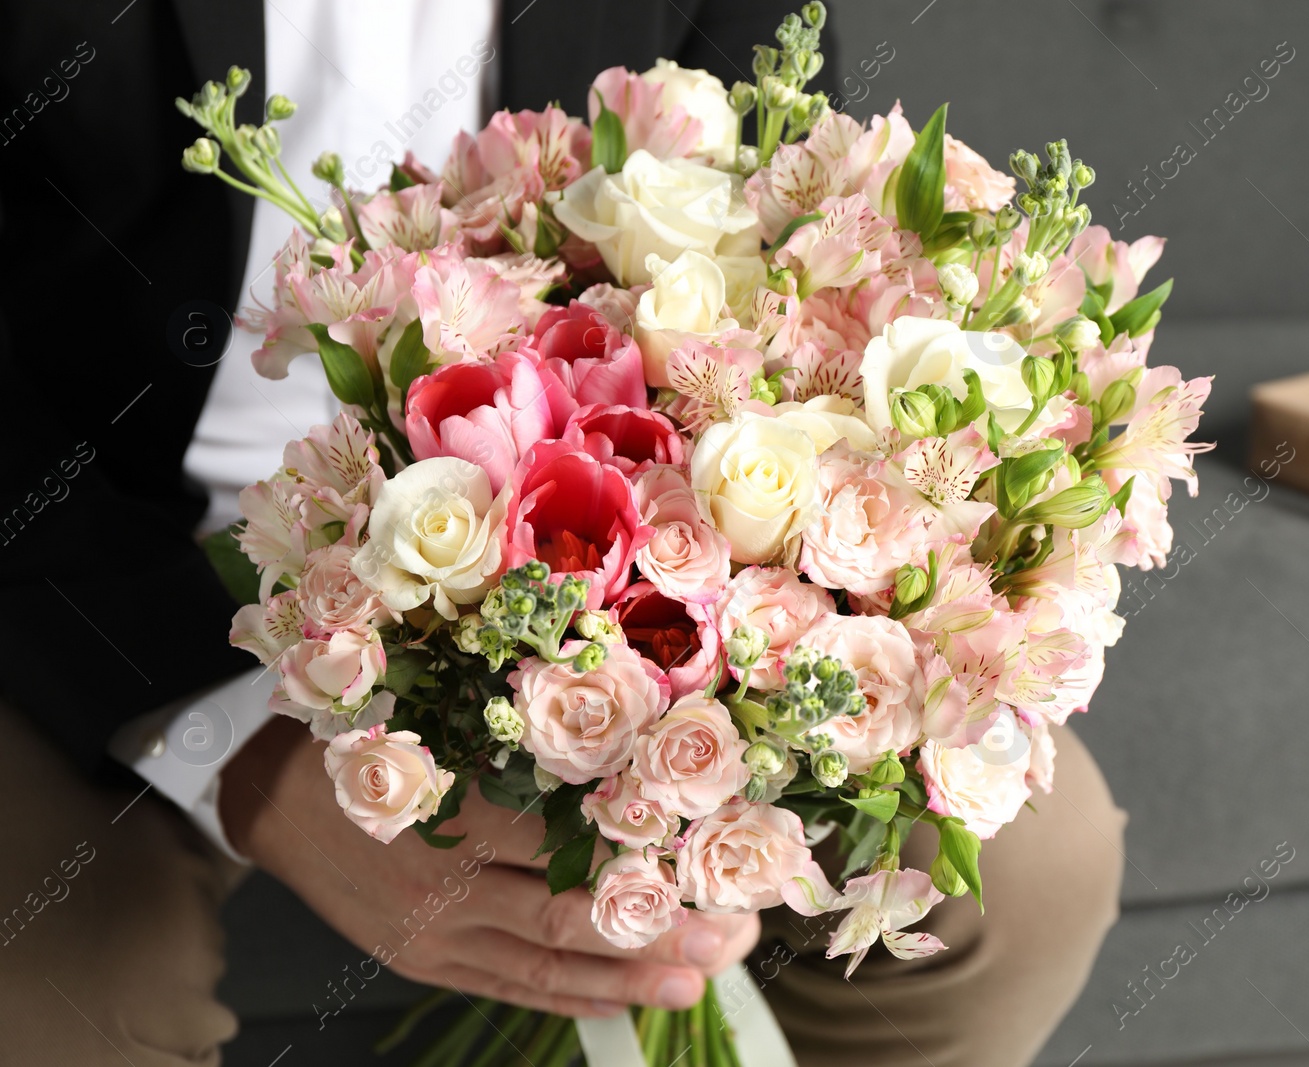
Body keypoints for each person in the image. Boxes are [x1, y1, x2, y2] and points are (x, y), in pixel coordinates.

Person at [0, 2, 1127, 1064]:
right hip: (74, 552)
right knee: (57, 993)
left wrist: (716, 696)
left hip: (579, 532)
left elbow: (773, 247)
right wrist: (234, 743)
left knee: (1033, 876)